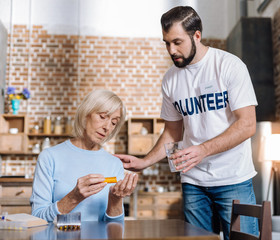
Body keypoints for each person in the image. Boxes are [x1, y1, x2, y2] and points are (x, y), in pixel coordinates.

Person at [115, 6, 258, 240]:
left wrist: (202, 150)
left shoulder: (229, 66)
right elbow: (173, 132)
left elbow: (247, 125)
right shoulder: (171, 78)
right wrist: (145, 162)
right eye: (166, 43)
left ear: (197, 36)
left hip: (233, 179)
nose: (171, 50)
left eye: (177, 42)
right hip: (193, 182)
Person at [30, 89, 138, 222]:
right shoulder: (49, 157)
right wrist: (73, 198)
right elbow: (37, 219)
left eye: (114, 122)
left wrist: (115, 200)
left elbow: (114, 227)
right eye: (102, 117)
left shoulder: (114, 164)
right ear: (86, 113)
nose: (107, 127)